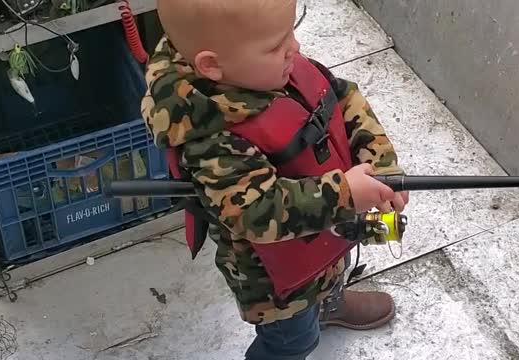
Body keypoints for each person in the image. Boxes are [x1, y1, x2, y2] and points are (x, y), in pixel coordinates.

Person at [142, 0, 410, 358]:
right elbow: (257, 212)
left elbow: (340, 96)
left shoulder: (262, 67)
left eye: (291, 32)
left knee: (337, 263)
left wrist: (380, 162)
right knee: (293, 341)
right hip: (277, 284)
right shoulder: (212, 140)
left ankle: (330, 303)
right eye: (275, 45)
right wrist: (345, 195)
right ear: (212, 65)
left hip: (327, 231)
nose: (294, 48)